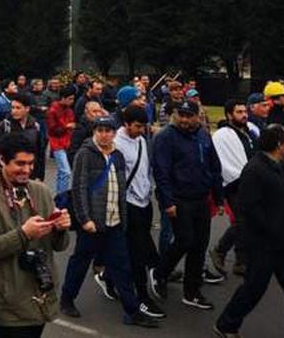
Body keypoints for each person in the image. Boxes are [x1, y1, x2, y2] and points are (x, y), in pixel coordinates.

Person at [214, 124, 284, 338]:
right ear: (279, 144)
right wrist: (273, 230)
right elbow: (249, 210)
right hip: (263, 246)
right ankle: (227, 323)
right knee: (253, 288)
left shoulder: (280, 166)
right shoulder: (255, 170)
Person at [60, 115, 159, 328]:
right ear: (94, 132)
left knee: (122, 267)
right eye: (100, 130)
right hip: (93, 224)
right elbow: (78, 188)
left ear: (114, 133)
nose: (104, 134)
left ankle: (131, 311)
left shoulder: (118, 155)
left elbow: (121, 189)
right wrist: (85, 219)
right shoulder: (85, 155)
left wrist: (122, 220)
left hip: (114, 223)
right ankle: (67, 299)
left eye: (108, 130)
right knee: (80, 262)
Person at [0, 133, 72, 337]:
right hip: (8, 303)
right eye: (20, 163)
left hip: (40, 296)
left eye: (31, 163)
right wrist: (23, 234)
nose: (26, 170)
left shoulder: (40, 191)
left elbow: (60, 246)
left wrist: (61, 229)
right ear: (1, 160)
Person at [149, 100, 224, 310]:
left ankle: (192, 292)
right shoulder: (166, 137)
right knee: (185, 240)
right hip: (179, 198)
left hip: (201, 197)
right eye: (180, 114)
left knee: (200, 245)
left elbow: (214, 166)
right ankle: (160, 271)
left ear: (197, 116)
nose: (183, 119)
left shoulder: (203, 135)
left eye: (188, 115)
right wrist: (167, 201)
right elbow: (161, 172)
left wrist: (218, 198)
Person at [113, 105, 165, 318]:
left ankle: (109, 276)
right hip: (128, 204)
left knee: (139, 243)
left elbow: (144, 170)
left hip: (144, 201)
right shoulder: (116, 144)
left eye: (144, 126)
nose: (141, 130)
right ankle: (141, 295)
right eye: (137, 126)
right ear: (126, 124)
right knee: (137, 250)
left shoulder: (142, 141)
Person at [209, 100, 256, 277]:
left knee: (248, 221)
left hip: (250, 181)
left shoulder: (248, 132)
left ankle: (241, 261)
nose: (244, 115)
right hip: (234, 183)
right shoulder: (222, 135)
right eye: (239, 112)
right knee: (242, 221)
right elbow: (223, 161)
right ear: (229, 114)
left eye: (245, 111)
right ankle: (220, 250)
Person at [46, 85, 77, 194]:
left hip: (67, 141)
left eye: (73, 99)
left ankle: (60, 194)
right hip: (57, 143)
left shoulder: (69, 110)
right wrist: (66, 127)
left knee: (62, 171)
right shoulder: (52, 110)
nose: (72, 101)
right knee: (66, 171)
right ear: (63, 98)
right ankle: (62, 195)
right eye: (70, 99)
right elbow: (52, 130)